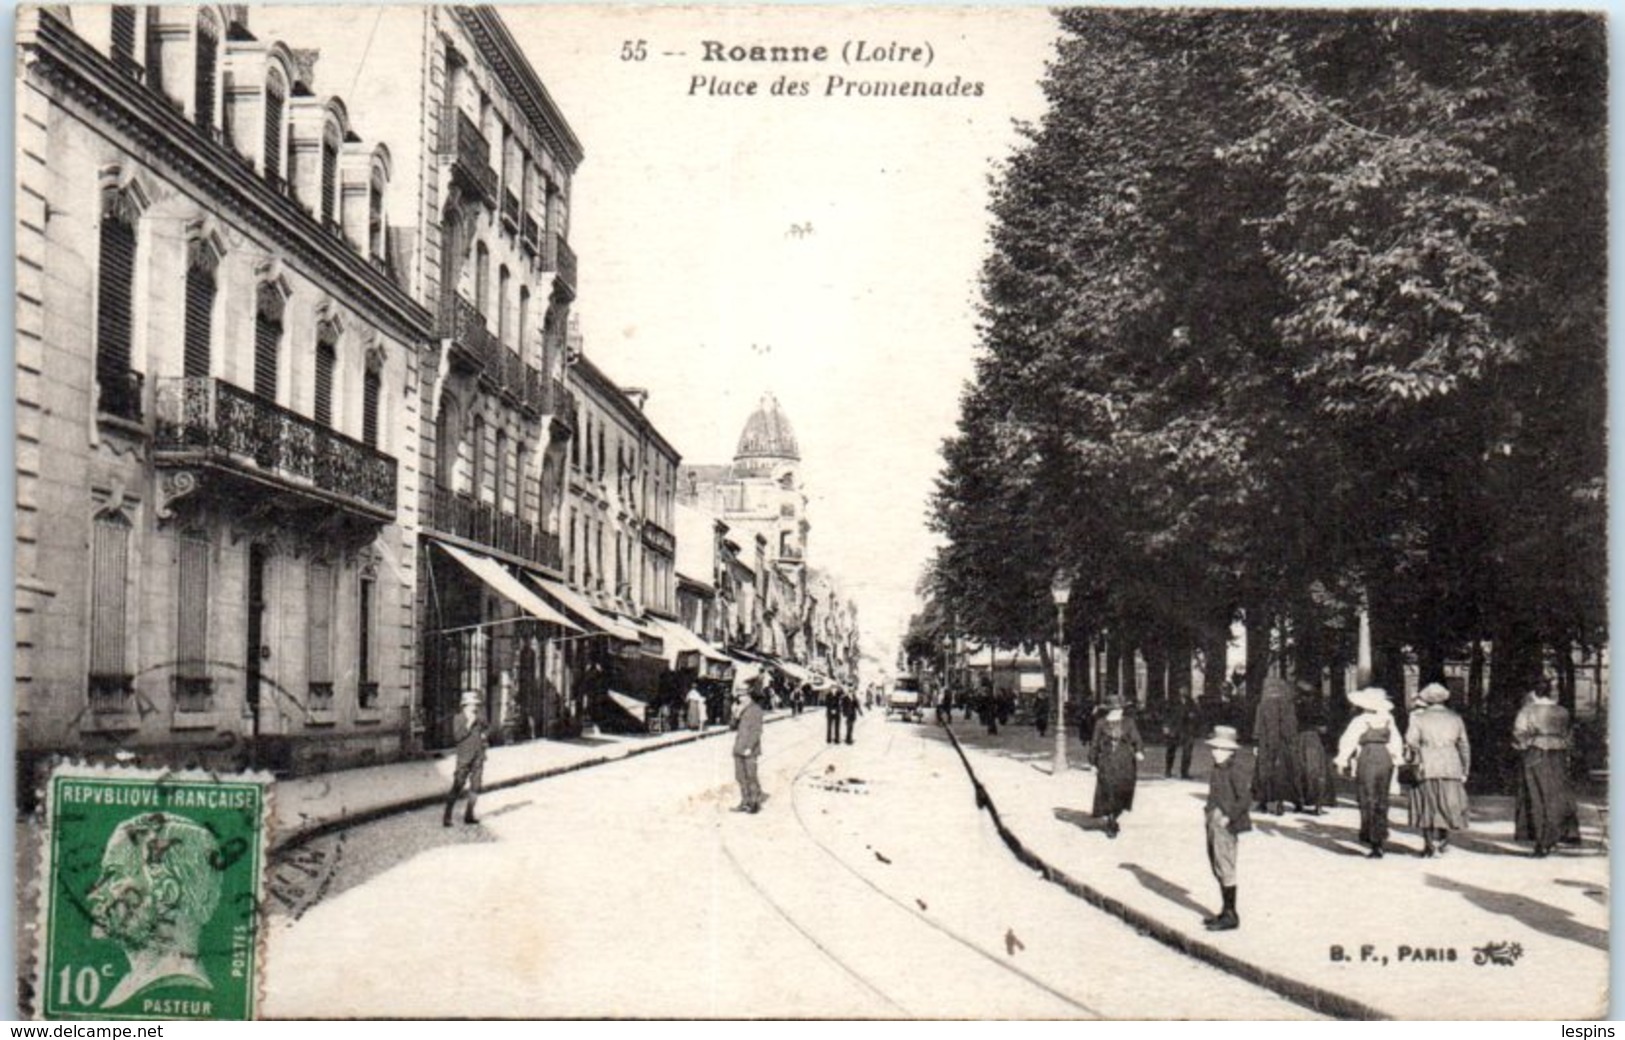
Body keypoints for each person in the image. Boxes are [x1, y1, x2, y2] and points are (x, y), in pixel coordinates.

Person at [87, 811, 223, 1009]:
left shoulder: (172, 985)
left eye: (113, 876)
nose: (95, 894)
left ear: (167, 893)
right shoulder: (132, 986)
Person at [1405, 682, 1471, 857]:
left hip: (1427, 763)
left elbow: (1411, 741)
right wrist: (1465, 768)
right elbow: (1464, 745)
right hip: (1451, 763)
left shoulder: (1419, 718)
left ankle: (1428, 845)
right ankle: (1443, 841)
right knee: (1447, 801)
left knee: (1427, 802)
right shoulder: (1455, 718)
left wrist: (1416, 754)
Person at [1336, 687, 1403, 857]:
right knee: (1382, 798)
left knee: (1367, 797)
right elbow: (1396, 742)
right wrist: (1396, 760)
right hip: (1385, 759)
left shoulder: (1360, 721)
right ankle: (1379, 838)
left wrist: (1342, 761)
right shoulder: (1388, 719)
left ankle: (1373, 839)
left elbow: (1348, 741)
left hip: (1367, 757)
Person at [1513, 683, 1575, 858]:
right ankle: (1554, 837)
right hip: (1559, 754)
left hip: (1536, 753)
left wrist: (1524, 745)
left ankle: (1541, 841)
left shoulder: (1528, 710)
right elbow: (1569, 735)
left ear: (1535, 694)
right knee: (1556, 795)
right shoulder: (1563, 711)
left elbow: (1519, 732)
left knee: (1537, 795)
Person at [1202, 725, 1253, 932]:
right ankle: (1225, 909)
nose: (1215, 752)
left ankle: (1231, 914)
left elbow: (1246, 798)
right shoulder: (1218, 768)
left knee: (1226, 865)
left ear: (1231, 751)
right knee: (1216, 863)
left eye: (1221, 749)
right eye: (1214, 748)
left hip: (1226, 822)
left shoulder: (1236, 770)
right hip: (1213, 818)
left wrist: (1228, 817)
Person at [1089, 696, 1143, 838]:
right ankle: (1111, 820)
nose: (1119, 711)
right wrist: (1093, 763)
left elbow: (1137, 739)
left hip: (1125, 762)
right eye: (1115, 709)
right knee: (1108, 790)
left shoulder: (1129, 722)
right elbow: (1094, 744)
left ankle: (1116, 815)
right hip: (1107, 761)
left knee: (1123, 790)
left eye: (1120, 709)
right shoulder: (1100, 723)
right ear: (1109, 710)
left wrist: (1139, 751)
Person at [1251, 675, 1300, 815]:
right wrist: (1291, 742)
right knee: (1284, 772)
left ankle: (1264, 801)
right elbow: (1291, 727)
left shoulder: (1263, 705)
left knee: (1264, 772)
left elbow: (1258, 726)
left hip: (1266, 744)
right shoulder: (1287, 705)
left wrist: (1256, 742)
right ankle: (1283, 802)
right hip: (1282, 744)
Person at [444, 690, 488, 827]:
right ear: (465, 705)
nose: (475, 707)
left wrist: (485, 736)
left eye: (476, 704)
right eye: (472, 704)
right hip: (464, 758)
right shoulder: (458, 718)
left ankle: (469, 814)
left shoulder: (480, 717)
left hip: (478, 757)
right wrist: (468, 724)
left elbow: (487, 728)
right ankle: (447, 816)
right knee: (458, 785)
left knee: (476, 786)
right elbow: (457, 737)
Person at [1293, 679, 1336, 814]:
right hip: (1313, 739)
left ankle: (1299, 802)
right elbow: (1324, 728)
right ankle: (1318, 804)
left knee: (1299, 769)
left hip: (1299, 739)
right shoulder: (1319, 706)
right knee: (1317, 771)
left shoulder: (1294, 706)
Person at [731, 684, 765, 813]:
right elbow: (732, 727)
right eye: (739, 696)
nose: (740, 698)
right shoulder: (739, 709)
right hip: (738, 747)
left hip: (750, 750)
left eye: (743, 695)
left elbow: (757, 731)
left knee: (751, 776)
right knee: (740, 776)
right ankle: (745, 801)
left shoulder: (756, 709)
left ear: (749, 695)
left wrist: (750, 747)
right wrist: (735, 714)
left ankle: (754, 803)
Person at [1163, 694, 1198, 779]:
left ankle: (1184, 772)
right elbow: (1166, 714)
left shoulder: (1191, 702)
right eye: (1182, 688)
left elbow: (1197, 714)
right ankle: (1168, 770)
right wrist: (1166, 726)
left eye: (1186, 688)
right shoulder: (1172, 701)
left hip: (1186, 730)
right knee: (1171, 750)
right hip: (1174, 729)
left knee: (1187, 752)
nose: (1184, 690)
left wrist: (1193, 716)